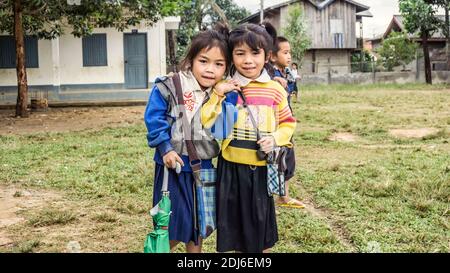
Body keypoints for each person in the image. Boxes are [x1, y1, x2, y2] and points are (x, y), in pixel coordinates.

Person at [201, 23, 296, 253]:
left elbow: (288, 123)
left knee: (259, 229)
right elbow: (207, 121)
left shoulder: (275, 89)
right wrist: (217, 94)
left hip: (260, 170)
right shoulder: (224, 87)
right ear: (232, 57)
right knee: (233, 228)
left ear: (267, 56)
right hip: (230, 169)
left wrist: (274, 138)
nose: (248, 60)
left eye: (255, 53)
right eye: (240, 53)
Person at [144, 24, 231, 253]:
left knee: (198, 226)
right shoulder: (171, 85)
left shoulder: (222, 93)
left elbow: (225, 128)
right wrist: (165, 148)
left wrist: (224, 97)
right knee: (171, 227)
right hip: (172, 166)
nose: (210, 69)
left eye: (219, 64)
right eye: (204, 61)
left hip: (203, 167)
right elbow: (154, 118)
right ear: (191, 60)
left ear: (226, 68)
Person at [266, 31, 305, 209]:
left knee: (288, 157)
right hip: (273, 124)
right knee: (275, 158)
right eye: (285, 52)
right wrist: (273, 79)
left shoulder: (287, 72)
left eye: (290, 52)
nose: (289, 56)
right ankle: (276, 194)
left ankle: (284, 196)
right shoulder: (269, 73)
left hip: (285, 121)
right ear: (272, 56)